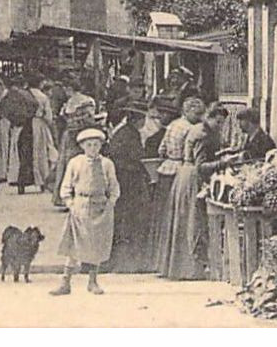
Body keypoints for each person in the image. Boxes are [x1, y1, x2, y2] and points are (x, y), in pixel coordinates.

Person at [159, 104, 229, 281]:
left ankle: (179, 267)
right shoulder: (203, 134)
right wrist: (225, 162)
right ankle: (190, 269)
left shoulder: (199, 128)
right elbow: (201, 166)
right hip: (191, 178)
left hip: (184, 174)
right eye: (218, 122)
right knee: (193, 222)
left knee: (183, 221)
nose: (219, 126)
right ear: (210, 117)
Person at [51, 127, 121, 296]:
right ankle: (65, 282)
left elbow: (114, 186)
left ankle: (93, 282)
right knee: (75, 245)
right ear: (82, 146)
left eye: (96, 145)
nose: (92, 148)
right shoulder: (76, 162)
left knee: (96, 245)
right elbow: (66, 186)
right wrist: (70, 203)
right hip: (80, 206)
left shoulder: (106, 164)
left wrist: (111, 202)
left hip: (100, 206)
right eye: (89, 145)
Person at [150, 95, 204, 274]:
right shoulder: (192, 128)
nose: (199, 117)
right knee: (181, 217)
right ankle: (180, 264)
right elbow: (192, 155)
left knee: (167, 218)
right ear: (187, 111)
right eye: (196, 113)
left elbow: (161, 149)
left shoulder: (173, 124)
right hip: (181, 170)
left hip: (166, 169)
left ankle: (162, 264)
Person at [104, 106, 154, 273]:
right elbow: (137, 157)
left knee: (123, 219)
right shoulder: (130, 135)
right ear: (137, 120)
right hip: (127, 180)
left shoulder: (124, 132)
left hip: (122, 178)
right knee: (130, 219)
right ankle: (126, 262)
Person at [51, 75, 100, 206]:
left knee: (68, 164)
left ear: (69, 89)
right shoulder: (88, 100)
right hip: (82, 135)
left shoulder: (69, 103)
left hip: (71, 136)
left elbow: (63, 119)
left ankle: (67, 196)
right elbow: (91, 118)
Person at [0, 75, 39, 193]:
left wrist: (10, 119)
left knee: (17, 153)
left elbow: (2, 107)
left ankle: (18, 180)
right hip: (27, 124)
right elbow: (35, 105)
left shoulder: (10, 95)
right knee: (26, 153)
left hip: (16, 125)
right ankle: (25, 180)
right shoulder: (27, 94)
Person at [26, 74, 59, 190]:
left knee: (29, 151)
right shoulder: (43, 97)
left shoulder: (25, 94)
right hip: (40, 124)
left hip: (26, 125)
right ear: (40, 83)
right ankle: (43, 178)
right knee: (43, 151)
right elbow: (48, 116)